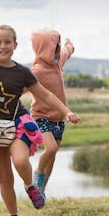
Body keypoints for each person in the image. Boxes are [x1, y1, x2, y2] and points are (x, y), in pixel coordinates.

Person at [0, 0, 81, 216]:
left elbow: (45, 94)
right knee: (5, 178)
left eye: (7, 42)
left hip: (16, 124)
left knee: (20, 160)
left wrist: (65, 110)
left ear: (15, 45)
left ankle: (31, 186)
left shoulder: (22, 72)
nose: (2, 46)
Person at [30, 29, 75, 198]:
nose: (57, 49)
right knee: (51, 148)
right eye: (53, 46)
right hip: (41, 116)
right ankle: (37, 177)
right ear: (43, 48)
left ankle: (40, 191)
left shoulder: (58, 61)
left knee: (53, 154)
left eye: (58, 45)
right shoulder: (36, 71)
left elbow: (67, 51)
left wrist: (69, 45)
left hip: (58, 119)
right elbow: (18, 90)